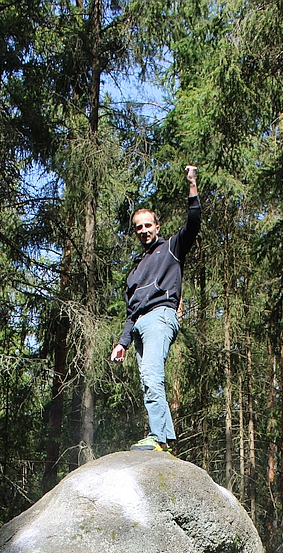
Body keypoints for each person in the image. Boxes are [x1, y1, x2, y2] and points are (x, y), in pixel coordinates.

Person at [111, 165, 201, 452]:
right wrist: (122, 343)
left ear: (157, 227)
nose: (143, 230)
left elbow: (194, 223)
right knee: (147, 378)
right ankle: (167, 437)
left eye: (147, 225)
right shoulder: (134, 271)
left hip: (160, 316)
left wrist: (192, 185)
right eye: (138, 227)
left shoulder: (171, 248)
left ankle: (157, 438)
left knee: (152, 376)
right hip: (138, 326)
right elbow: (130, 312)